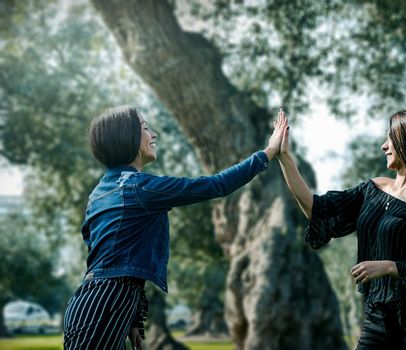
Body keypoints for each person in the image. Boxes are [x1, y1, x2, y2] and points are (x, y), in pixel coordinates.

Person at [63, 105, 287, 349]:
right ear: (128, 138)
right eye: (146, 128)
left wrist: (131, 318)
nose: (154, 135)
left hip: (91, 301)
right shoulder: (141, 188)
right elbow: (216, 185)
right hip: (106, 303)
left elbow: (101, 255)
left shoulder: (98, 193)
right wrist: (268, 152)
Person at [276, 109, 406, 349]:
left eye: (391, 138)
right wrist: (285, 157)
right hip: (376, 319)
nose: (384, 146)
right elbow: (316, 209)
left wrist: (390, 267)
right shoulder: (373, 189)